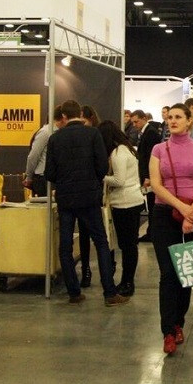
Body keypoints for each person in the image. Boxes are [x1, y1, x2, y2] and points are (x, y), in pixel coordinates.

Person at [45, 100, 128, 307]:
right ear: (80, 114)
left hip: (65, 198)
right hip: (89, 197)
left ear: (64, 116)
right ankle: (109, 293)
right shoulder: (93, 134)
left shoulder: (55, 138)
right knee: (100, 242)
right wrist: (93, 181)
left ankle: (74, 292)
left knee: (65, 245)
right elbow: (102, 166)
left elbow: (50, 173)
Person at [149, 103, 193, 354]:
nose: (172, 120)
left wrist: (192, 212)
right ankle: (167, 331)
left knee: (188, 273)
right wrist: (182, 208)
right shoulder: (158, 149)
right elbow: (156, 185)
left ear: (189, 121)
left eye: (178, 117)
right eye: (170, 117)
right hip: (164, 215)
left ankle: (178, 323)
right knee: (168, 273)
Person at [98, 121, 145, 297]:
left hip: (124, 203)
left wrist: (101, 177)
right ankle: (127, 281)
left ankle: (127, 282)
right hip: (131, 200)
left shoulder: (118, 153)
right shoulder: (127, 149)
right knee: (129, 245)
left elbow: (119, 180)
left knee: (127, 246)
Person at [76, 105, 102, 287]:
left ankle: (99, 271)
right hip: (87, 191)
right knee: (86, 234)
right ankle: (86, 270)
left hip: (93, 192)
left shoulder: (95, 135)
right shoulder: (88, 135)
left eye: (83, 121)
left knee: (98, 236)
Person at [24, 105, 67, 198]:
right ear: (63, 118)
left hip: (54, 178)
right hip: (43, 178)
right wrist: (29, 177)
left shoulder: (60, 133)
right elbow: (33, 156)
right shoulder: (46, 132)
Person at [132, 109, 161, 243]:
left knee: (152, 204)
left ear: (144, 118)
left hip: (150, 177)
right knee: (150, 205)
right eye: (133, 122)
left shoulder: (151, 133)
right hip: (147, 175)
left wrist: (148, 177)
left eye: (136, 121)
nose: (134, 125)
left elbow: (150, 157)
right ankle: (152, 232)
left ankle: (152, 233)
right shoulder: (146, 132)